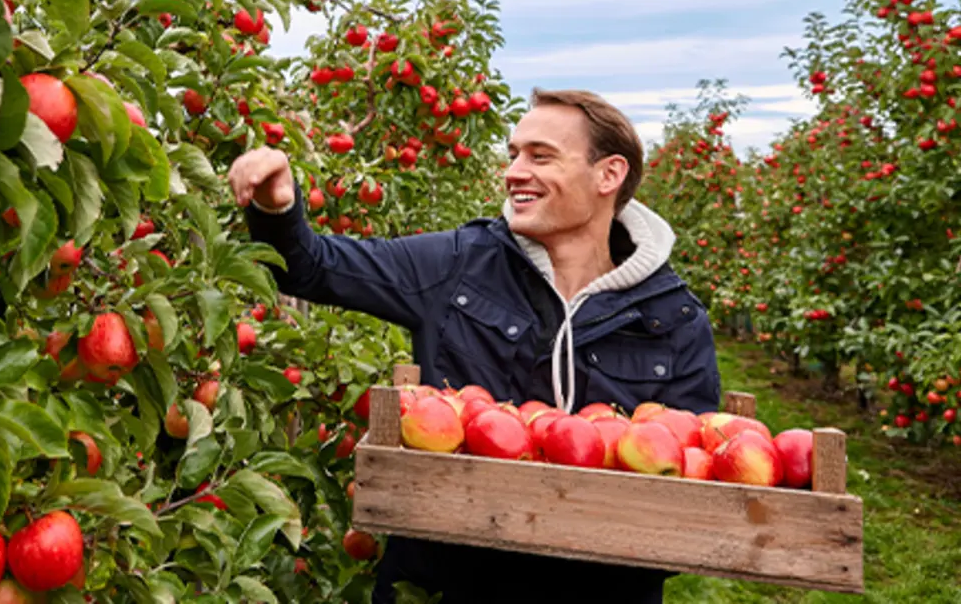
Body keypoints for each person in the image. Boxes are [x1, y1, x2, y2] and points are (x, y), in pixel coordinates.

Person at [228, 88, 721, 603]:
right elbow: (314, 267)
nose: (514, 172)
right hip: (445, 585)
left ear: (608, 175)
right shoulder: (457, 263)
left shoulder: (673, 318)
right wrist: (276, 208)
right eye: (514, 155)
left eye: (541, 157)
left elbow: (692, 483)